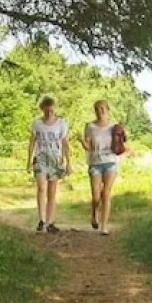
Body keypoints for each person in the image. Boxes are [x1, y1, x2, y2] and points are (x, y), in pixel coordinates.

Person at [81, 99, 127, 236]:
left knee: (106, 194)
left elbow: (122, 143)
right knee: (96, 195)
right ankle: (94, 214)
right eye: (97, 109)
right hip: (95, 163)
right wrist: (81, 141)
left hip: (110, 162)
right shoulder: (90, 126)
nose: (100, 112)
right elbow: (88, 147)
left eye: (102, 109)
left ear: (107, 110)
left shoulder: (115, 126)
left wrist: (123, 139)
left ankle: (104, 226)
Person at [27, 95, 70, 232]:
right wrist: (29, 160)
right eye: (47, 111)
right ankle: (42, 219)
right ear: (42, 110)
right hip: (41, 158)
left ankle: (51, 221)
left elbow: (65, 143)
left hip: (55, 159)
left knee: (52, 192)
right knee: (41, 188)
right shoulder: (37, 124)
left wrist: (68, 162)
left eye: (51, 111)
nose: (49, 113)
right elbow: (32, 142)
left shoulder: (61, 123)